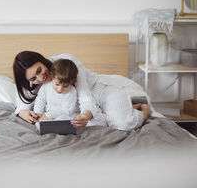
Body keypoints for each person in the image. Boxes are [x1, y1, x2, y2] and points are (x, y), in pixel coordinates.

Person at [13, 51, 151, 131]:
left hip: (101, 92)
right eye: (34, 78)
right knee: (104, 120)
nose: (41, 77)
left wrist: (86, 115)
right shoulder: (34, 81)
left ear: (42, 61)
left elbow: (85, 97)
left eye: (39, 70)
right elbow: (23, 104)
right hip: (84, 105)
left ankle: (144, 111)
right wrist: (22, 112)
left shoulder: (66, 63)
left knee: (122, 125)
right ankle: (126, 107)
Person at [33, 59, 105, 127]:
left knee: (64, 120)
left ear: (73, 82)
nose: (60, 89)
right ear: (52, 76)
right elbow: (40, 100)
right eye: (57, 84)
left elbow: (66, 110)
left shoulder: (72, 92)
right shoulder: (46, 87)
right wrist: (38, 113)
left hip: (66, 115)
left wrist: (49, 115)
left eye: (65, 86)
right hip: (50, 115)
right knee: (41, 123)